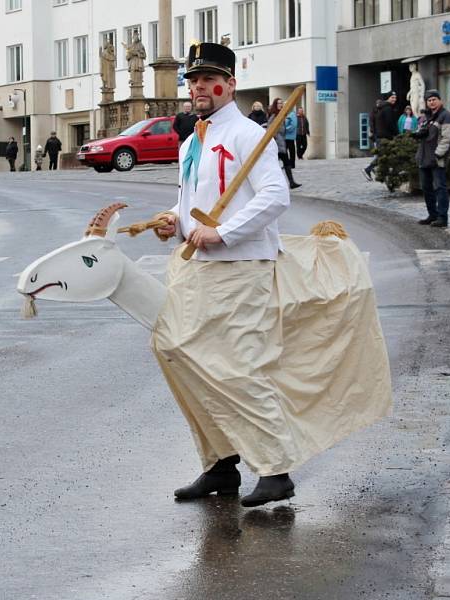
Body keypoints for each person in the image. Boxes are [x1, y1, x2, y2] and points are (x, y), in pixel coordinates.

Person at [151, 42, 298, 507]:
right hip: (198, 269)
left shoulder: (248, 135)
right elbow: (192, 197)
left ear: (231, 84)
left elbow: (275, 197)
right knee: (178, 353)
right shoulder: (193, 139)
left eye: (209, 79)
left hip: (241, 266)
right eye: (193, 80)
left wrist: (224, 233)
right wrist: (174, 219)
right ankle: (220, 464)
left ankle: (276, 470)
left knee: (240, 367)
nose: (198, 87)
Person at [414, 89, 450, 228]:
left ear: (440, 101)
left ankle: (442, 217)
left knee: (440, 188)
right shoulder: (426, 117)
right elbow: (423, 134)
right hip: (424, 157)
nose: (431, 102)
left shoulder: (446, 116)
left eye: (434, 99)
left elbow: (447, 139)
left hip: (437, 159)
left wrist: (438, 154)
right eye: (429, 100)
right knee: (426, 189)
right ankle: (432, 214)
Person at [363, 91, 398, 181]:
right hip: (385, 136)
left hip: (380, 135)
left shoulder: (380, 108)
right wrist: (397, 134)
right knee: (385, 155)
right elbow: (390, 123)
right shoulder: (387, 108)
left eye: (395, 97)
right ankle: (369, 169)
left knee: (384, 155)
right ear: (387, 98)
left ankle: (376, 170)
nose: (394, 99)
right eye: (392, 97)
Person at [268, 98, 301, 190]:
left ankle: (291, 182)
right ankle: (287, 183)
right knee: (281, 163)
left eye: (281, 103)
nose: (280, 105)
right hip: (277, 142)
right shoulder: (274, 115)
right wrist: (275, 137)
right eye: (278, 103)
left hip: (281, 141)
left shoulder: (281, 114)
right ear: (275, 104)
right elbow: (270, 128)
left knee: (285, 162)